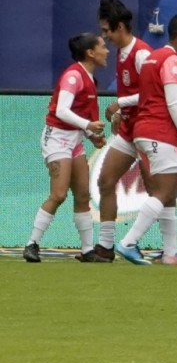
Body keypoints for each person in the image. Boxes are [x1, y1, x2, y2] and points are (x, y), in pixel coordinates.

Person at [114, 14, 177, 265]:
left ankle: (171, 253)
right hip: (160, 132)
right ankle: (128, 242)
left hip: (144, 130)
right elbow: (173, 102)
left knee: (169, 195)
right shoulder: (171, 60)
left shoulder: (153, 58)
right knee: (165, 191)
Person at [23, 33, 109, 263]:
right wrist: (88, 126)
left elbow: (81, 115)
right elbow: (61, 111)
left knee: (82, 195)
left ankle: (87, 250)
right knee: (59, 194)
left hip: (75, 140)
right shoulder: (73, 76)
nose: (107, 51)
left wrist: (91, 136)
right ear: (90, 53)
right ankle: (32, 244)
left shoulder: (89, 79)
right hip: (57, 138)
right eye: (102, 46)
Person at [91, 0, 159, 262]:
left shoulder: (142, 54)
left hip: (148, 130)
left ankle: (169, 248)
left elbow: (152, 94)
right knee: (105, 181)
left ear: (119, 27)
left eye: (106, 30)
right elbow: (133, 94)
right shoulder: (121, 53)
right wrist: (122, 112)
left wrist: (119, 104)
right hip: (130, 129)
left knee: (157, 190)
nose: (104, 36)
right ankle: (106, 247)